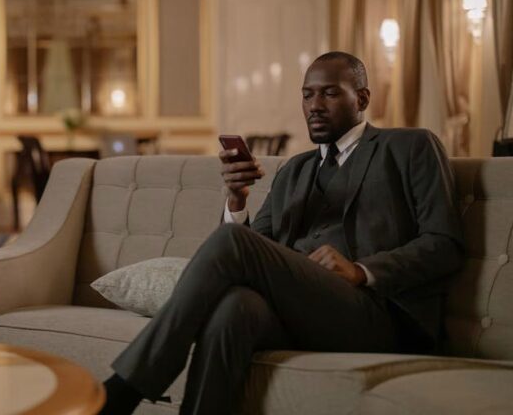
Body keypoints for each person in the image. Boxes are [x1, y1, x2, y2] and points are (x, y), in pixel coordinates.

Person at [99, 51, 465, 415]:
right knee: (235, 308)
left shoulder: (409, 147)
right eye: (307, 95)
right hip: (302, 312)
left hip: (378, 316)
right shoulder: (295, 170)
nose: (314, 106)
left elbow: (444, 244)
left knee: (232, 243)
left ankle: (126, 387)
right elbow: (255, 248)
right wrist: (236, 199)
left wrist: (361, 270)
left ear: (363, 98)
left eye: (330, 93)